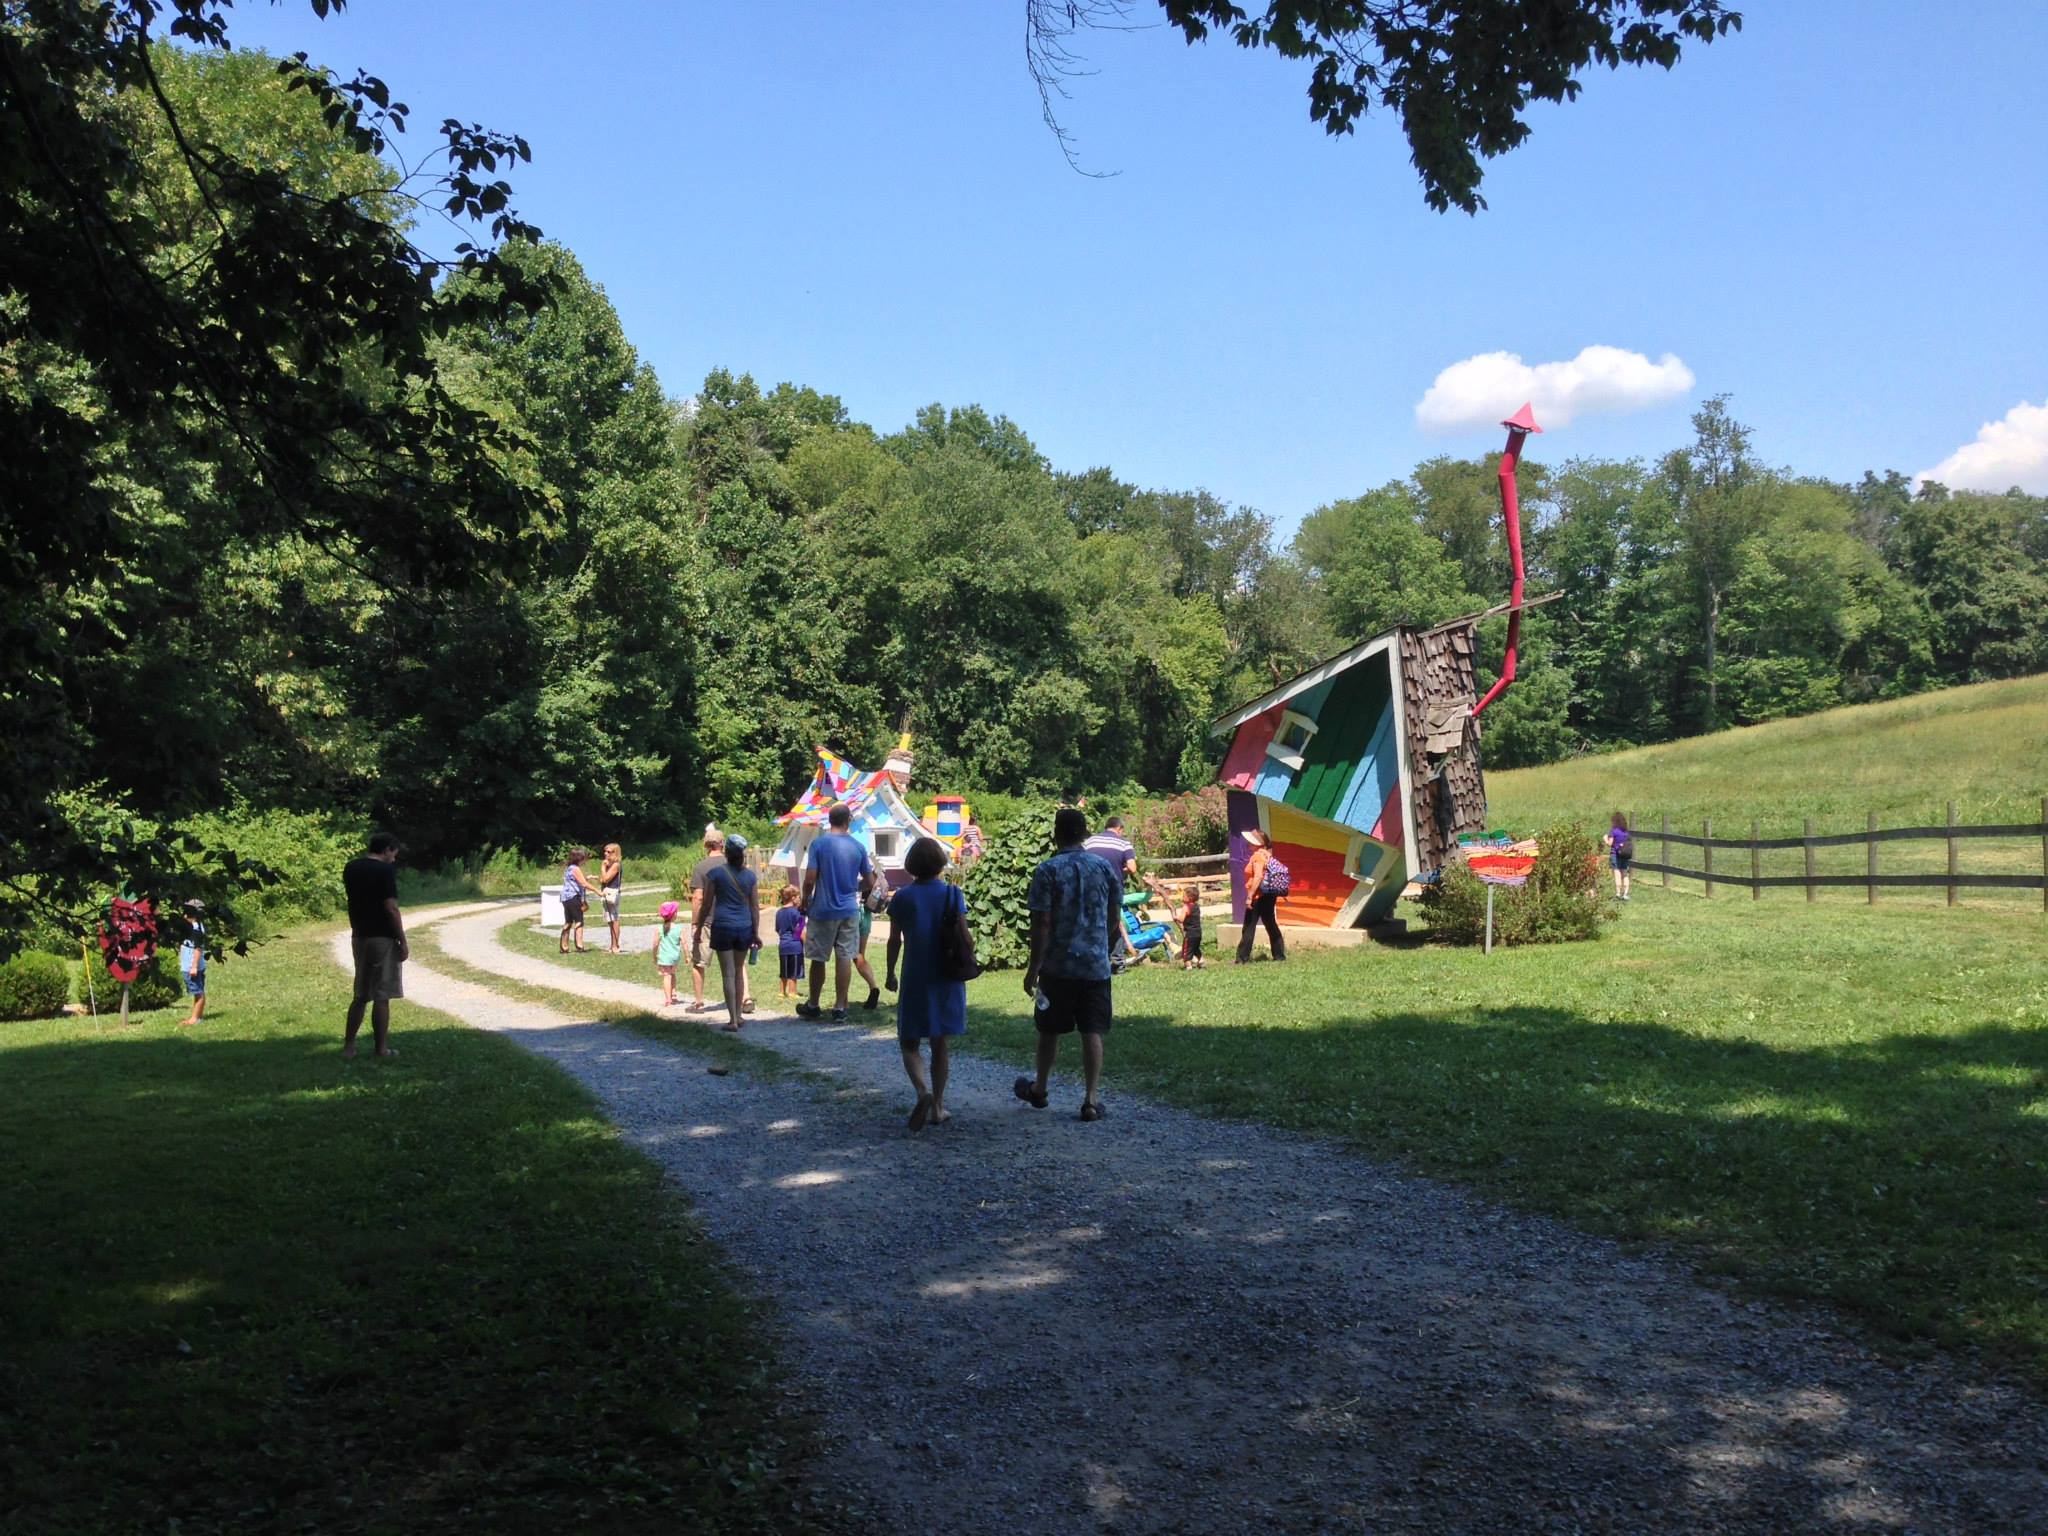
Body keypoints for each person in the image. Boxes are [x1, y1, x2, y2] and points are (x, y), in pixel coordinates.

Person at [1016, 807, 1122, 1122]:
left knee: (1049, 1030)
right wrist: (1101, 943)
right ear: (1085, 833)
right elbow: (1114, 916)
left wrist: (1034, 966)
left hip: (1057, 968)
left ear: (1056, 834)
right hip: (1095, 966)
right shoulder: (1104, 868)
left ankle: (1041, 1089)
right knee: (1092, 1030)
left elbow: (1042, 924)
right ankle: (1091, 1099)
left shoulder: (1047, 871)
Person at [886, 837, 971, 1130]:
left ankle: (923, 1091)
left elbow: (894, 939)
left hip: (915, 973)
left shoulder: (902, 898)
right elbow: (965, 935)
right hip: (946, 973)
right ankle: (938, 1108)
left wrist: (889, 973)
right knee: (940, 1041)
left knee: (909, 1040)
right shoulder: (952, 894)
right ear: (939, 863)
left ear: (911, 865)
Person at [796, 803, 874, 1024]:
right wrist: (852, 889)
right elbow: (869, 881)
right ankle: (840, 1007)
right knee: (845, 957)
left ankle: (813, 1004)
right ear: (848, 820)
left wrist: (804, 899)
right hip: (849, 910)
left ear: (829, 821)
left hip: (822, 909)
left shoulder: (819, 845)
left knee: (818, 958)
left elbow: (810, 879)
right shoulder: (858, 847)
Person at [342, 831, 407, 1059]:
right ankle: (381, 1049)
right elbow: (391, 907)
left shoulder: (351, 867)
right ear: (387, 849)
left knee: (360, 994)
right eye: (394, 854)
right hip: (382, 937)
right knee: (382, 995)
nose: (394, 859)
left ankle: (349, 1047)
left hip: (359, 935)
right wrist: (402, 939)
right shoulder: (385, 870)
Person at [694, 833, 760, 1032]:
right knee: (739, 971)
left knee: (728, 974)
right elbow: (755, 907)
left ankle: (732, 1019)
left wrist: (698, 927)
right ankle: (739, 1015)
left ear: (728, 852)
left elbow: (706, 904)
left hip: (722, 926)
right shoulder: (750, 876)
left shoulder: (716, 873)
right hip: (744, 927)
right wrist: (755, 932)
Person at [1084, 813, 1141, 968]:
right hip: (1113, 890)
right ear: (1119, 829)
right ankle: (1117, 962)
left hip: (1091, 890)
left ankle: (1094, 960)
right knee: (1114, 924)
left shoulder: (1089, 842)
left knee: (1093, 923)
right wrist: (1119, 868)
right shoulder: (1124, 843)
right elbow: (1132, 868)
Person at [1235, 828, 1287, 964]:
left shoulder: (1257, 856)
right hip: (1269, 895)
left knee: (1249, 927)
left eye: (1250, 842)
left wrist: (1250, 896)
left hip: (1258, 896)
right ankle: (1279, 955)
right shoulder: (1267, 855)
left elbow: (1258, 877)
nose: (1248, 844)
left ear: (1257, 843)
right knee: (1270, 924)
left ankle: (1242, 958)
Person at [852, 875, 887, 1011]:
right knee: (859, 954)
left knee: (843, 954)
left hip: (851, 911)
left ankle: (842, 1001)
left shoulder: (850, 861)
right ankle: (873, 987)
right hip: (866, 911)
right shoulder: (868, 862)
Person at [559, 848, 600, 954]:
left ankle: (564, 947)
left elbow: (575, 880)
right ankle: (579, 945)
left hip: (565, 898)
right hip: (574, 897)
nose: (585, 861)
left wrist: (588, 877)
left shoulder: (569, 868)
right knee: (579, 921)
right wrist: (597, 891)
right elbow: (583, 884)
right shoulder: (576, 869)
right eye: (585, 858)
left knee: (568, 921)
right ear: (580, 858)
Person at [176, 898, 207, 1027]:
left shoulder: (196, 929)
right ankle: (196, 1015)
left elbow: (198, 948)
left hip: (192, 966)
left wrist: (193, 966)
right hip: (188, 965)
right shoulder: (190, 927)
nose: (183, 915)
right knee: (196, 992)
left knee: (198, 992)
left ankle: (195, 1019)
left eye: (186, 913)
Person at [774, 885, 806, 1000]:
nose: (799, 899)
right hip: (795, 946)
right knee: (794, 970)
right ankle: (792, 992)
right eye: (798, 897)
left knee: (784, 969)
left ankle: (782, 992)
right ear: (793, 898)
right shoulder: (798, 914)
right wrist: (807, 943)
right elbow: (800, 932)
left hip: (783, 945)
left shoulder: (779, 912)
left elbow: (777, 929)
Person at [652, 899, 685, 1007]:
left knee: (667, 976)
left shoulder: (659, 929)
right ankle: (674, 993)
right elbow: (684, 943)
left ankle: (668, 999)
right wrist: (688, 955)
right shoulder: (679, 928)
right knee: (672, 974)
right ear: (674, 915)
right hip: (675, 957)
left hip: (665, 957)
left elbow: (655, 944)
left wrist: (654, 956)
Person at [599, 842, 624, 954]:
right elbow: (602, 879)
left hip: (612, 894)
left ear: (615, 853)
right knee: (610, 920)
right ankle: (612, 945)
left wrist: (603, 868)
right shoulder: (610, 865)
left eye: (609, 852)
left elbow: (605, 879)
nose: (606, 854)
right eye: (605, 851)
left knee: (614, 919)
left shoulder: (616, 865)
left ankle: (615, 945)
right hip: (607, 892)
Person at [1605, 811, 1634, 902]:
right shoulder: (1626, 832)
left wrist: (1605, 838)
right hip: (1625, 854)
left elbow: (1610, 844)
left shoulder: (1613, 831)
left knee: (1617, 873)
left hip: (1616, 854)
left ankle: (1618, 893)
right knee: (1625, 873)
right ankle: (1625, 894)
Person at [1175, 883, 1204, 971]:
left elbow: (1181, 919)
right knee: (1195, 948)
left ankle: (1188, 966)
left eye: (1184, 896)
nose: (1182, 897)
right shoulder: (1196, 906)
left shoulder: (1186, 907)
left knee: (1186, 949)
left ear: (1189, 898)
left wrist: (1176, 917)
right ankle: (1201, 961)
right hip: (1198, 932)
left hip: (1190, 933)